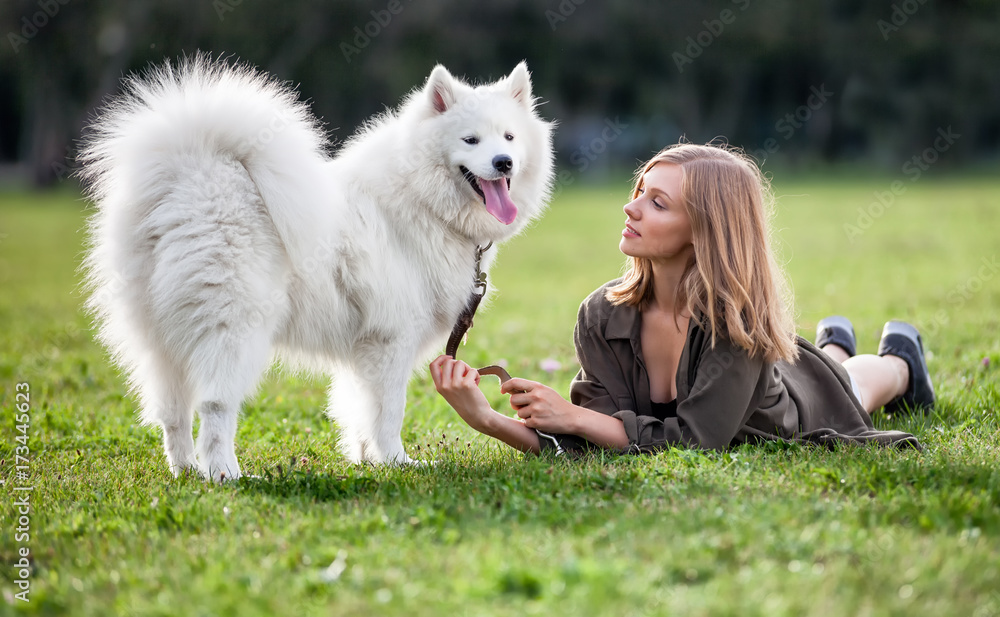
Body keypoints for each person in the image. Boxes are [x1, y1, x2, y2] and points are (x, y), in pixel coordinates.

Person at [430, 143, 931, 455]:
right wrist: (486, 418)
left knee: (848, 383)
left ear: (705, 231)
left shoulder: (736, 323)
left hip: (782, 409)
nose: (631, 206)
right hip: (769, 366)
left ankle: (901, 359)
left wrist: (576, 415)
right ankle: (833, 342)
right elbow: (586, 442)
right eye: (640, 190)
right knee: (823, 362)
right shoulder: (603, 314)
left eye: (658, 202)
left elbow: (697, 440)